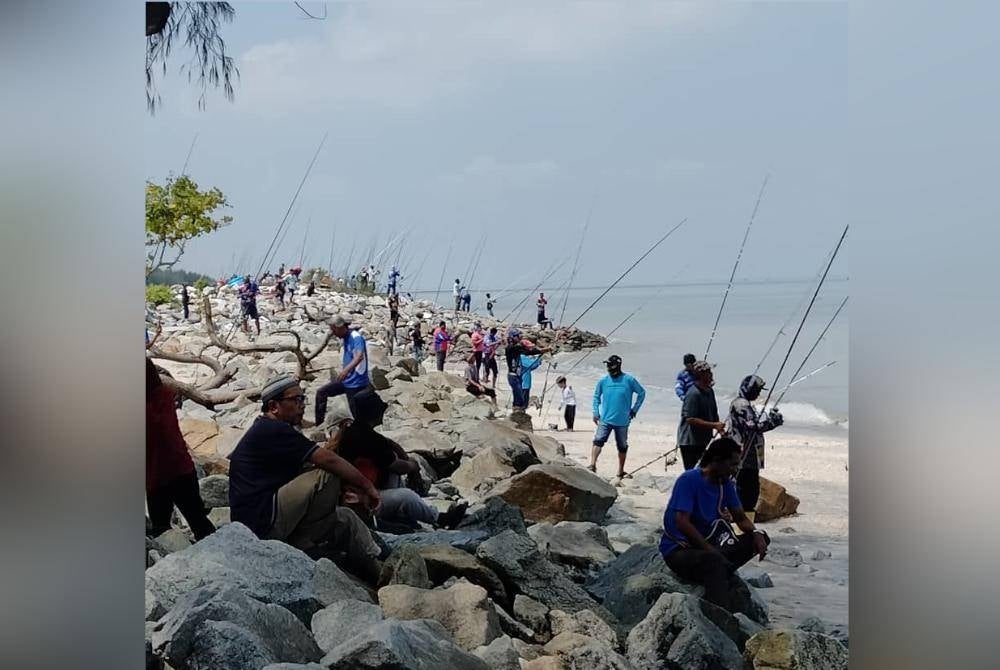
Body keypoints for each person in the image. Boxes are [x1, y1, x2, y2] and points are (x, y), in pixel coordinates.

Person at [227, 375, 383, 582]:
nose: (302, 406)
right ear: (274, 406)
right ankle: (305, 541)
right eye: (296, 400)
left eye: (303, 399)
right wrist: (368, 487)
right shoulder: (273, 430)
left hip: (262, 515)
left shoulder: (269, 428)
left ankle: (380, 572)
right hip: (262, 522)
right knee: (326, 474)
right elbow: (328, 461)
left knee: (345, 517)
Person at [659, 437, 770, 612]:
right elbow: (682, 522)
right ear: (717, 460)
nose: (735, 469)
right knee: (714, 562)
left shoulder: (725, 485)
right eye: (732, 464)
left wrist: (756, 534)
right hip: (681, 549)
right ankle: (719, 614)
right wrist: (710, 551)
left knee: (759, 539)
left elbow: (740, 518)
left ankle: (722, 570)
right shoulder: (689, 480)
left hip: (711, 543)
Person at [329, 403, 467, 531]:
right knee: (406, 497)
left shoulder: (358, 436)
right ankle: (440, 519)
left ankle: (407, 511)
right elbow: (396, 465)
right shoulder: (354, 439)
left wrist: (409, 461)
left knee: (398, 476)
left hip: (368, 491)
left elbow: (389, 445)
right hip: (360, 502)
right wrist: (413, 467)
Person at [146, 359, 216, 541]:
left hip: (160, 476)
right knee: (198, 520)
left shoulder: (152, 407)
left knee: (161, 528)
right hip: (181, 469)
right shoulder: (165, 398)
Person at [727, 375, 784, 516]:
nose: (758, 393)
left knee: (750, 493)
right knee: (747, 493)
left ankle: (744, 526)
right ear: (749, 389)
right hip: (744, 456)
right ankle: (741, 526)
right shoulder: (741, 405)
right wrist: (772, 422)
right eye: (756, 390)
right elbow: (752, 426)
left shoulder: (744, 403)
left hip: (750, 457)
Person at [589, 355, 646, 477]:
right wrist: (595, 412)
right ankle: (592, 465)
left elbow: (641, 393)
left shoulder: (629, 380)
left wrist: (635, 409)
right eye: (607, 365)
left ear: (616, 366)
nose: (608, 368)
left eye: (610, 365)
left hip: (623, 421)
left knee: (622, 446)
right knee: (598, 441)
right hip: (605, 419)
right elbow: (596, 397)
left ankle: (620, 471)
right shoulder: (603, 381)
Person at [314, 314, 371, 426]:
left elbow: (359, 356)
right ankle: (319, 425)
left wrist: (346, 371)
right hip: (346, 381)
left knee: (357, 417)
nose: (332, 333)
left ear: (340, 327)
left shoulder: (356, 337)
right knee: (321, 393)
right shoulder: (345, 337)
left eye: (333, 330)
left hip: (356, 383)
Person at [677, 360, 727, 470]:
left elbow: (714, 414)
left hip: (704, 440)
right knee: (694, 472)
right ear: (701, 375)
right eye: (708, 372)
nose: (711, 374)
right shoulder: (693, 393)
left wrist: (721, 431)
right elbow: (690, 419)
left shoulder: (710, 391)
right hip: (690, 442)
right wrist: (714, 425)